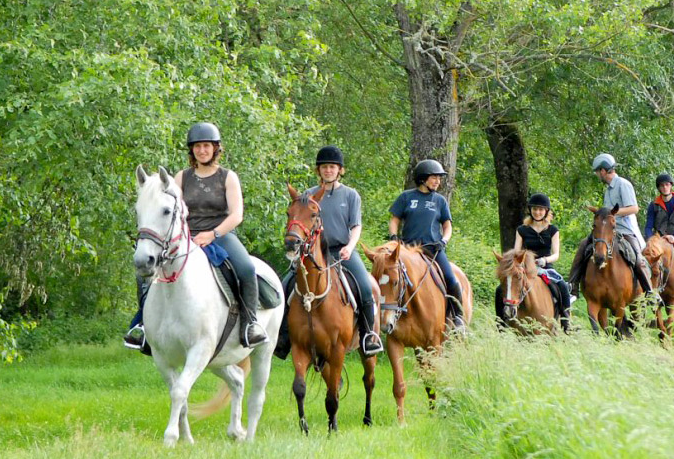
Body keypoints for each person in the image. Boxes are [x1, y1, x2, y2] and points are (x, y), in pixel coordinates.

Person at [124, 122, 269, 350]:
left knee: (246, 269)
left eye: (206, 146)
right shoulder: (182, 177)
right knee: (145, 272)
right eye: (197, 146)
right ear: (191, 150)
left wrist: (213, 234)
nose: (202, 150)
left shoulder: (228, 177)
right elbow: (172, 205)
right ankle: (142, 325)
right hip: (186, 236)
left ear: (215, 148)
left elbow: (237, 214)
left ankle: (251, 324)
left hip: (221, 234)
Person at [287, 145, 383, 355]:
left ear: (340, 170)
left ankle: (368, 336)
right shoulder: (309, 195)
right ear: (318, 170)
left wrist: (350, 247)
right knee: (287, 283)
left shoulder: (350, 195)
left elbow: (356, 226)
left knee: (366, 288)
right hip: (313, 253)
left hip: (341, 251)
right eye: (324, 167)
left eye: (332, 167)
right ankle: (284, 336)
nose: (328, 170)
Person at [388, 159, 466, 332]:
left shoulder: (440, 200)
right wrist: (394, 237)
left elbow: (447, 225)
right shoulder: (406, 197)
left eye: (439, 178)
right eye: (434, 177)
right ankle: (389, 316)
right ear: (423, 178)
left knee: (451, 279)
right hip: (408, 249)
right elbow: (394, 219)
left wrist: (444, 240)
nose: (438, 181)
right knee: (389, 277)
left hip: (433, 249)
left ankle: (458, 317)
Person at [573, 153, 660, 304]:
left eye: (597, 171)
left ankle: (649, 291)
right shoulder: (608, 190)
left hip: (626, 230)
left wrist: (613, 213)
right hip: (608, 230)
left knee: (637, 258)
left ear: (603, 171)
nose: (596, 175)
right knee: (584, 246)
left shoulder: (623, 184)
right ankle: (572, 285)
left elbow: (634, 208)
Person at [495, 193, 574, 331]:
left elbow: (556, 254)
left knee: (561, 285)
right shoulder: (522, 230)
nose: (537, 212)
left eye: (541, 209)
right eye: (535, 209)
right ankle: (501, 324)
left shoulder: (553, 230)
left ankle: (566, 321)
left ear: (546, 212)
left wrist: (544, 260)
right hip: (525, 267)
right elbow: (516, 252)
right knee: (499, 290)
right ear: (530, 210)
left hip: (546, 267)